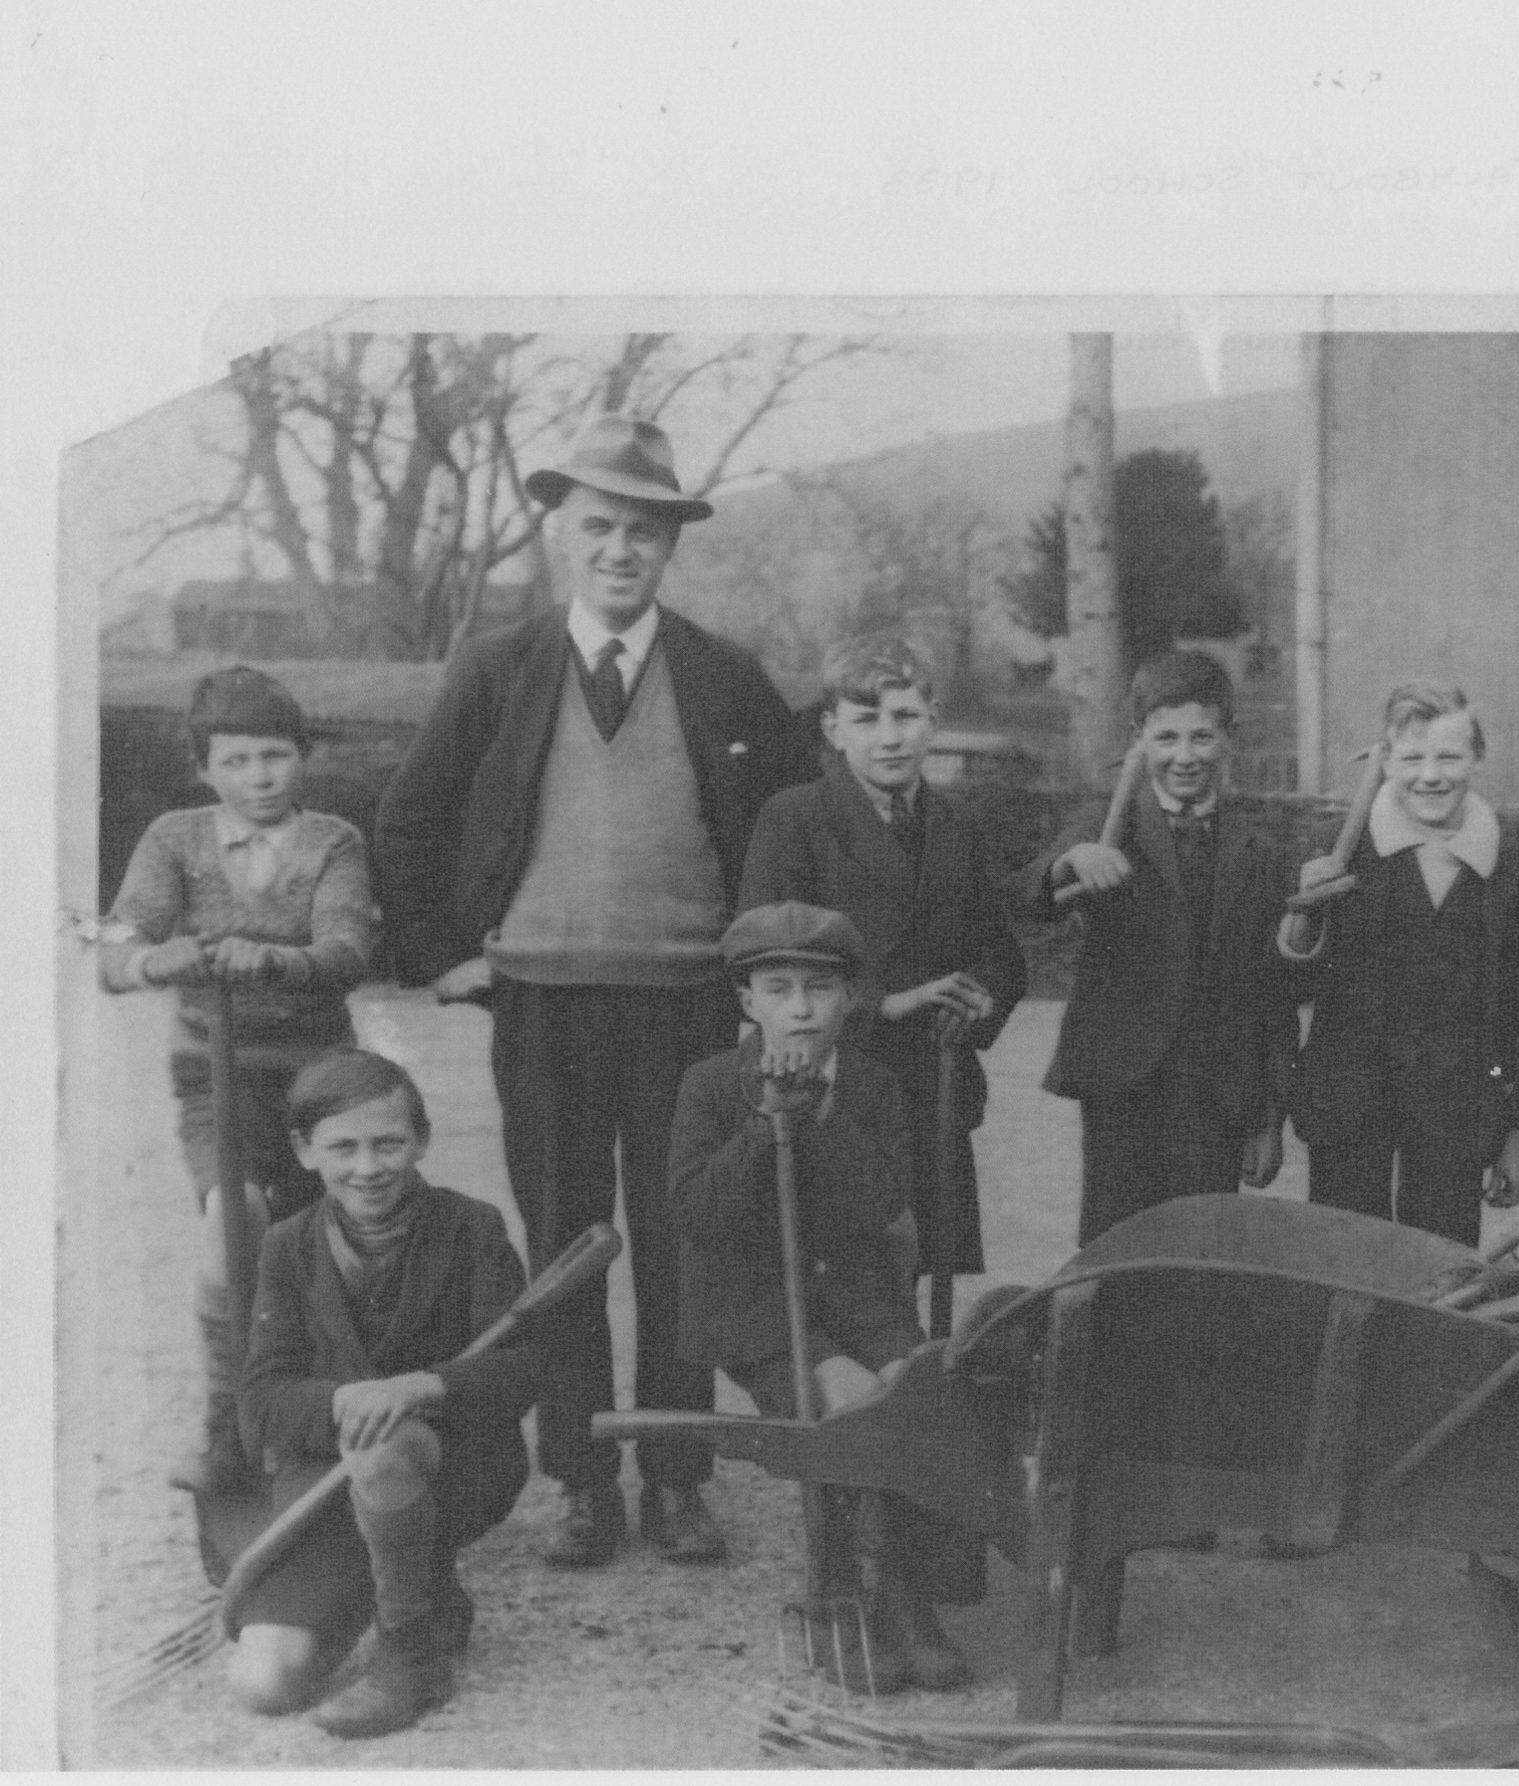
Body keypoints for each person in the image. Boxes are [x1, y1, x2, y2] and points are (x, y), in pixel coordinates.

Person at [371, 414, 814, 1568]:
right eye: (600, 527)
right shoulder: (498, 667)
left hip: (686, 1009)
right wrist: (446, 956)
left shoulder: (724, 676)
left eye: (644, 532)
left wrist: (765, 979)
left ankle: (674, 1475)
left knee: (681, 1241)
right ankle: (581, 1478)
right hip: (543, 1007)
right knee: (565, 1242)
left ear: (671, 546)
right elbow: (410, 823)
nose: (621, 550)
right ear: (561, 531)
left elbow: (792, 828)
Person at [668, 902, 968, 1693]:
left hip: (864, 1304)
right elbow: (699, 1214)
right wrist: (767, 1127)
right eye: (778, 988)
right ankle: (842, 1593)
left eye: (821, 989)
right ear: (747, 1002)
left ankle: (901, 1591)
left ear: (850, 1002)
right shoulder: (708, 1086)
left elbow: (878, 1205)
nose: (800, 1009)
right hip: (763, 1315)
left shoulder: (871, 1085)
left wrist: (819, 1122)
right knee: (853, 1402)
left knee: (919, 1392)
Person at [97, 666, 378, 1496]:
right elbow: (112, 951)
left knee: (323, 1246)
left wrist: (280, 960)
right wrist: (153, 958)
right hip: (212, 1077)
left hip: (318, 1076)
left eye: (276, 757)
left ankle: (331, 1421)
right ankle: (226, 1426)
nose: (259, 778)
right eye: (238, 761)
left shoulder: (334, 842)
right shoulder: (174, 839)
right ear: (204, 770)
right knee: (235, 1224)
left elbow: (347, 952)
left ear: (302, 758)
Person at [230, 1051, 541, 1739]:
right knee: (264, 1684)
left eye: (388, 1143)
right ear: (305, 1151)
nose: (367, 1167)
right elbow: (261, 1402)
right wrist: (345, 1402)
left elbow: (526, 1369)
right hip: (326, 1488)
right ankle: (423, 1592)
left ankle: (411, 1654)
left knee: (384, 1446)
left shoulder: (472, 1228)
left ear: (421, 1141)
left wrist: (420, 1387)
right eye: (343, 1147)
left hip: (452, 1464)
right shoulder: (287, 1246)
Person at [736, 634, 1025, 1309]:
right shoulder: (795, 820)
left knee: (915, 1275)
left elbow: (999, 950)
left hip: (932, 1085)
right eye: (867, 721)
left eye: (905, 716)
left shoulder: (957, 826)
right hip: (826, 1083)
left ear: (933, 719)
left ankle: (906, 1405)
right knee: (834, 1281)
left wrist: (979, 998)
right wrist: (882, 1004)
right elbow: (762, 956)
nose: (889, 738)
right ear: (834, 730)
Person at [1029, 650, 1295, 1245]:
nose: (1184, 756)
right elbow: (1034, 891)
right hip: (1123, 1089)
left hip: (1218, 1097)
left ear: (1230, 738)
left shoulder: (1260, 854)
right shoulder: (1104, 826)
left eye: (1202, 737)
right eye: (1166, 737)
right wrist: (1071, 862)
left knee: (1203, 1256)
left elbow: (1272, 998)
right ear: (1138, 739)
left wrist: (1269, 1118)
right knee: (1116, 1251)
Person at [1280, 681, 1519, 1248]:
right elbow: (1292, 977)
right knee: (1347, 1256)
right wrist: (1305, 915)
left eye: (1449, 757)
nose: (1431, 775)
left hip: (1458, 1103)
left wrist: (1511, 1128)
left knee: (1440, 1265)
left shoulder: (1509, 859)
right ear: (1384, 761)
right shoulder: (1337, 847)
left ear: (1477, 760)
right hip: (1350, 1098)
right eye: (1411, 758)